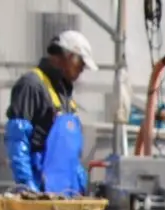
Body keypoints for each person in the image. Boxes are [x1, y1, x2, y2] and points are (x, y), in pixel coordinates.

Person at [5, 30, 97, 194]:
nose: (82, 69)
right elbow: (17, 139)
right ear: (69, 57)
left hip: (64, 191)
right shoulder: (31, 84)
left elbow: (69, 152)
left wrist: (80, 184)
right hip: (40, 186)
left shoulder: (64, 95)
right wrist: (27, 185)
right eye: (80, 63)